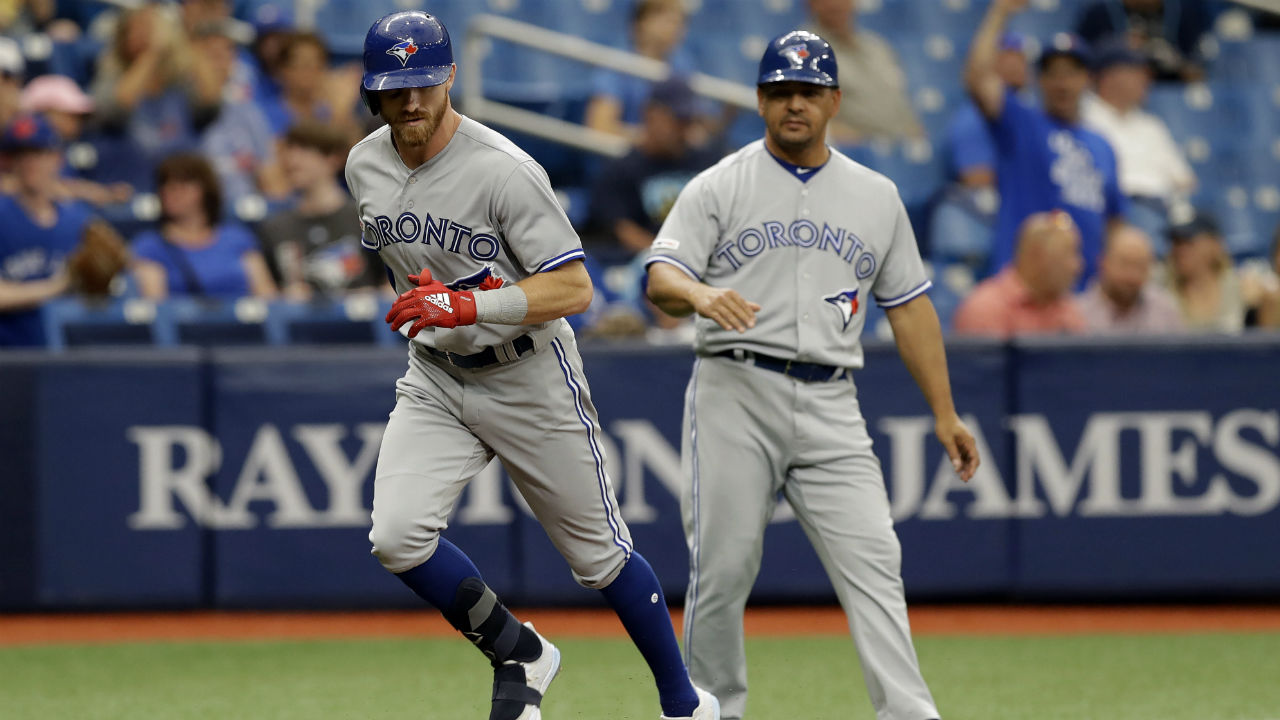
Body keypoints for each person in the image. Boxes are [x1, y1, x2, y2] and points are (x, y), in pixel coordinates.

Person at [345, 12, 718, 720]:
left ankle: (684, 703)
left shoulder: (504, 170)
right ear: (373, 93)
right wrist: (440, 308)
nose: (413, 101)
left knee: (600, 557)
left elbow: (576, 287)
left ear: (450, 76)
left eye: (424, 83)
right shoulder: (363, 163)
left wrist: (469, 306)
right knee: (396, 537)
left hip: (527, 372)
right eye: (396, 89)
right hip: (436, 376)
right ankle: (518, 651)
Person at [645, 30, 978, 720]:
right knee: (723, 570)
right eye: (780, 91)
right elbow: (660, 276)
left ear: (833, 99)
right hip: (734, 388)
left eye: (808, 91)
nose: (794, 103)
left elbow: (911, 309)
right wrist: (701, 295)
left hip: (832, 397)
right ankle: (711, 711)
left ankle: (910, 714)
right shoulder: (720, 183)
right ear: (762, 100)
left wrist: (944, 412)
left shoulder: (876, 195)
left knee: (875, 559)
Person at [965, 0, 1127, 286]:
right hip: (1025, 286)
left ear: (1087, 80)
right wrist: (999, 12)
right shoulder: (1021, 123)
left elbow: (1114, 222)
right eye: (1053, 73)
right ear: (1039, 81)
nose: (1061, 83)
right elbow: (978, 79)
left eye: (1071, 72)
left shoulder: (1103, 145)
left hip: (1083, 296)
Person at [1081, 42, 1195, 250]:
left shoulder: (1152, 126)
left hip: (1161, 210)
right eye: (1137, 72)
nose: (1146, 80)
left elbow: (1185, 180)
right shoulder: (1084, 116)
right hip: (1114, 209)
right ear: (1109, 76)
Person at [930, 32, 1029, 268]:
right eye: (1007, 56)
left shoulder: (1030, 113)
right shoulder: (973, 118)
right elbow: (975, 177)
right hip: (983, 215)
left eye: (1020, 57)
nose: (1015, 64)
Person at [0, 114, 96, 346]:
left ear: (57, 158)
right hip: (9, 356)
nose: (30, 163)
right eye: (21, 155)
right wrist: (56, 287)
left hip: (70, 356)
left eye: (39, 153)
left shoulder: (80, 220)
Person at [256, 121, 379, 301]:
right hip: (303, 327)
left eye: (304, 150)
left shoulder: (366, 216)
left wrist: (369, 297)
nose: (292, 160)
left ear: (332, 158)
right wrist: (284, 298)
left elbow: (393, 286)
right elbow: (267, 297)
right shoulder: (275, 228)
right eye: (289, 151)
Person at [131, 152, 276, 300]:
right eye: (165, 184)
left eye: (182, 184)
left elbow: (267, 296)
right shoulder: (150, 246)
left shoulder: (237, 238)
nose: (171, 191)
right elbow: (156, 306)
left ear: (205, 189)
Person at [953, 211, 1087, 338]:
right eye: (1068, 255)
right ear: (1037, 256)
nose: (1077, 267)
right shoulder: (985, 310)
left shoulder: (1067, 310)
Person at [805, 0, 923, 143]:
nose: (836, 4)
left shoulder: (878, 47)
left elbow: (902, 105)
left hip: (897, 150)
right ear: (811, 4)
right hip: (848, 153)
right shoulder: (805, 51)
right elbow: (805, 120)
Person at [585, 0, 692, 140]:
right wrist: (649, 140)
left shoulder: (682, 63)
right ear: (642, 23)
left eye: (680, 23)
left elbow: (695, 125)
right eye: (668, 21)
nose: (676, 29)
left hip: (668, 156)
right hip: (624, 157)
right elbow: (600, 127)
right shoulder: (616, 65)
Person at [1077, 224, 1184, 333]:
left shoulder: (1166, 312)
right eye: (1125, 264)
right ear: (1104, 263)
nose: (1132, 276)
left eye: (1140, 267)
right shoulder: (1077, 314)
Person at [1076, 0, 1214, 82]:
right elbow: (1080, 61)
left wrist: (1176, 62)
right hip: (1113, 95)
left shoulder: (1184, 13)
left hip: (1171, 95)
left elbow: (1199, 71)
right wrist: (1116, 48)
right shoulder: (1099, 13)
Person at [1159, 212, 1246, 332]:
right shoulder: (1161, 291)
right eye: (1176, 242)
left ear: (1214, 244)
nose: (1180, 250)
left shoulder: (1240, 288)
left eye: (1188, 241)